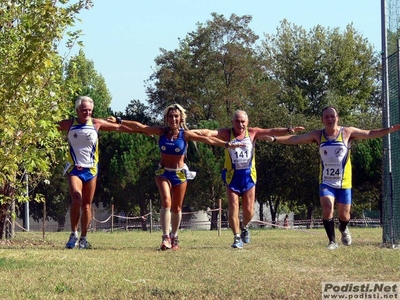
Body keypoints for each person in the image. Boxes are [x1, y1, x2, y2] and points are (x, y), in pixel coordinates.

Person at [261, 106, 400, 250]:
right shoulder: (318, 135)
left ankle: (343, 227)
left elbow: (370, 133)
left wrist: (388, 130)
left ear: (337, 118)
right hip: (326, 181)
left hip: (344, 182)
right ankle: (332, 241)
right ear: (322, 120)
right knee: (327, 206)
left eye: (332, 116)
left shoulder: (347, 132)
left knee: (344, 215)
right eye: (326, 117)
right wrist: (275, 139)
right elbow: (296, 138)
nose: (330, 119)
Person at [107, 104, 243, 250]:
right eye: (170, 116)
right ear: (166, 118)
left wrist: (226, 144)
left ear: (180, 118)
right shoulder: (161, 132)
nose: (173, 119)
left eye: (176, 116)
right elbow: (140, 127)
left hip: (179, 173)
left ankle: (174, 236)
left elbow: (207, 140)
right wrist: (119, 120)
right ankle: (165, 237)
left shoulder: (185, 134)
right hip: (163, 172)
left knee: (177, 207)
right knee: (166, 201)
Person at [195, 110, 305, 249]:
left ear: (247, 122)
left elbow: (271, 131)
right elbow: (209, 133)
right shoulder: (226, 133)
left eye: (243, 121)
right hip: (232, 176)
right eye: (237, 121)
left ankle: (245, 226)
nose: (240, 124)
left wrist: (289, 130)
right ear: (232, 122)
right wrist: (191, 131)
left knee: (249, 210)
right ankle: (236, 237)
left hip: (248, 176)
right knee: (233, 207)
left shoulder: (253, 132)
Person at [57, 96, 132, 249]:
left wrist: (143, 130)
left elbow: (120, 127)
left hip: (91, 169)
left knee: (86, 205)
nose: (87, 113)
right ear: (77, 110)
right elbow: (45, 127)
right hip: (74, 168)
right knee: (76, 200)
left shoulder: (96, 123)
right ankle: (73, 234)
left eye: (90, 110)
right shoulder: (69, 124)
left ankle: (84, 238)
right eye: (84, 110)